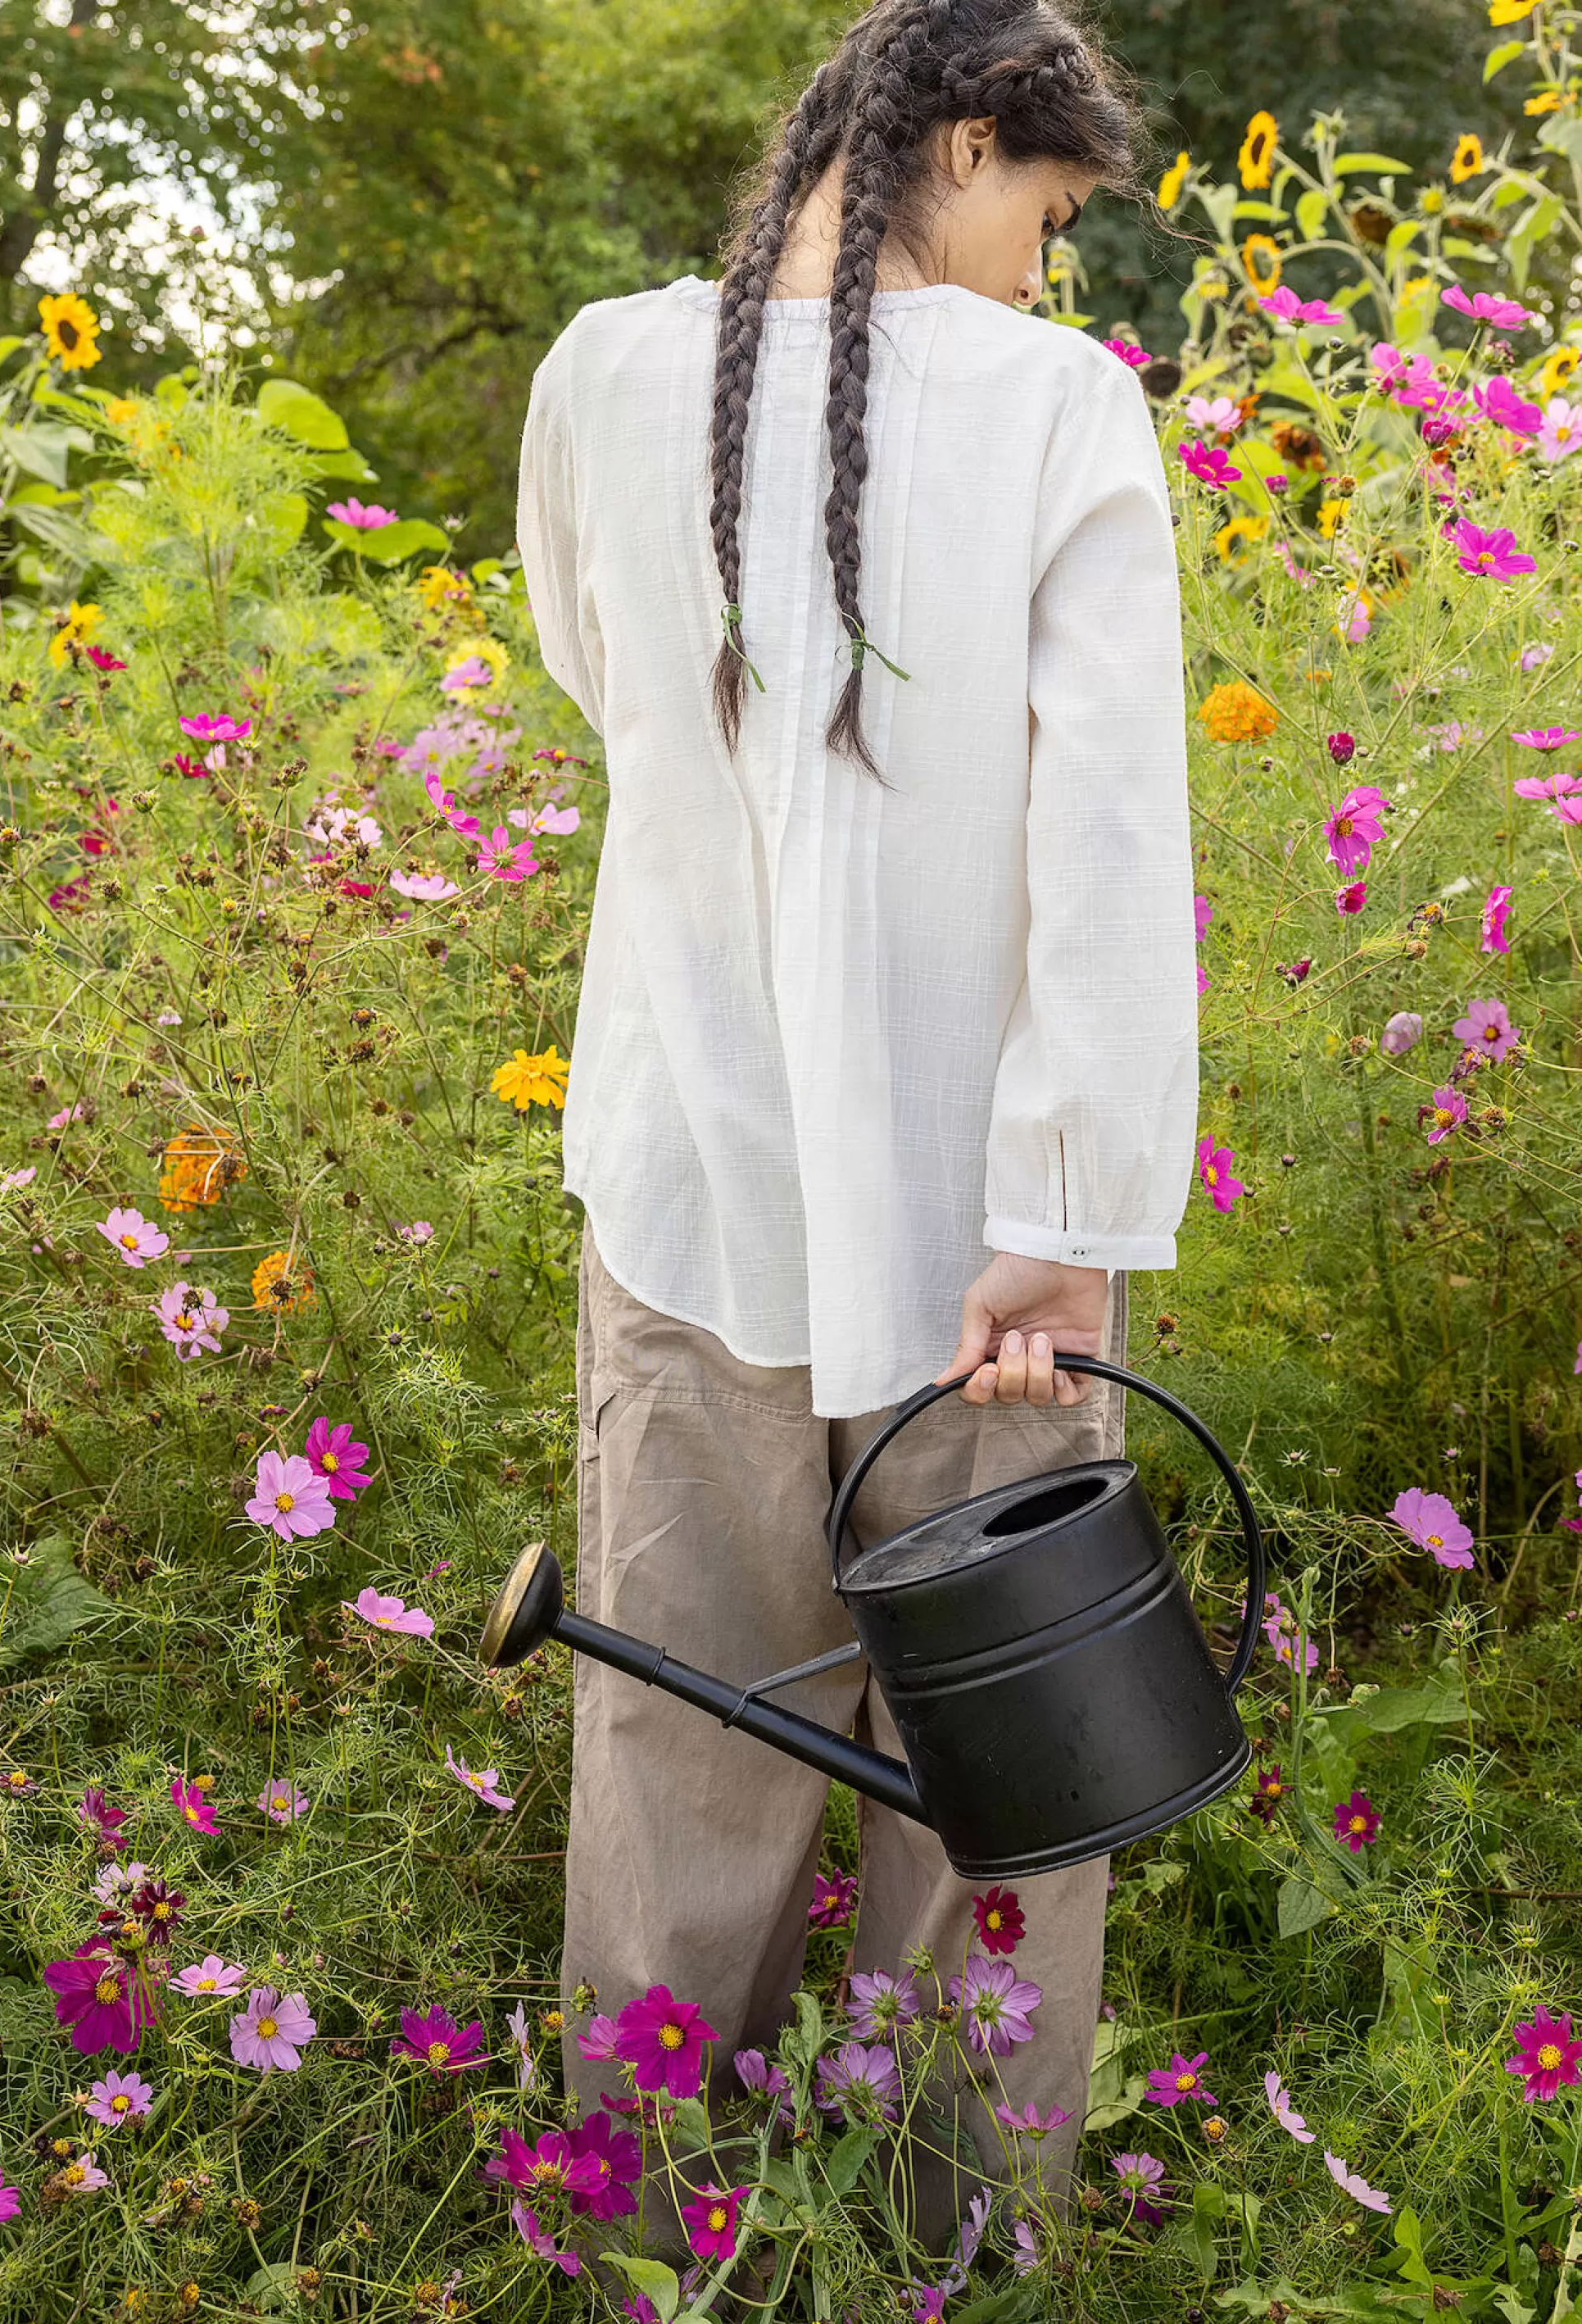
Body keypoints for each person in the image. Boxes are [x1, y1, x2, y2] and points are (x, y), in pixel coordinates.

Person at [514, 0, 1199, 2245]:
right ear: (971, 139)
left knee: (678, 1754)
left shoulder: (612, 374)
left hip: (693, 1187)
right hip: (984, 1264)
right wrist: (1064, 1211)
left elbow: (609, 689)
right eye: (1049, 215)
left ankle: (626, 2234)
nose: (1046, 273)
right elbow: (1105, 848)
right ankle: (953, 2254)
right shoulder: (1063, 413)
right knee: (1001, 1792)